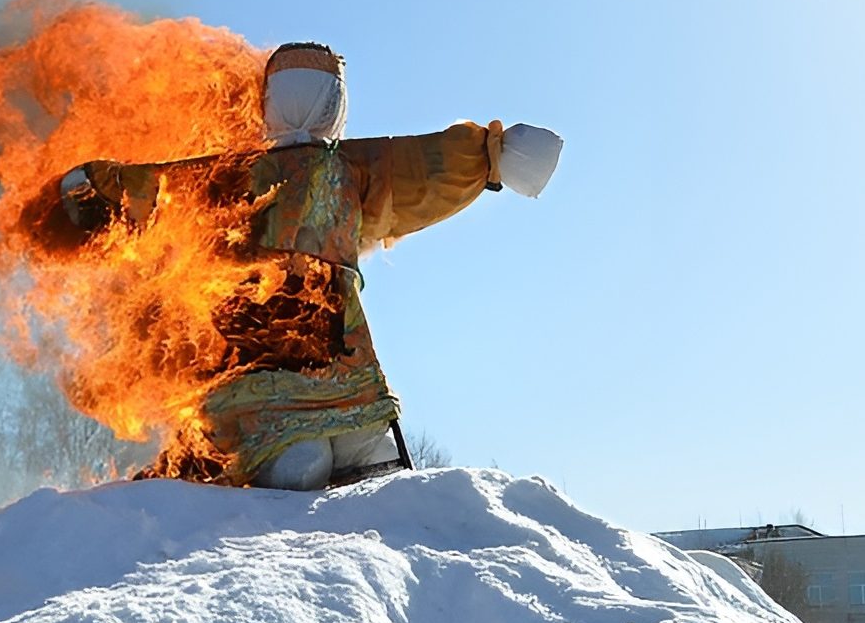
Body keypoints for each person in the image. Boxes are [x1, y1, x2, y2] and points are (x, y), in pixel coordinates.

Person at [60, 41, 563, 488]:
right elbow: (428, 164)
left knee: (336, 455)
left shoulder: (283, 171)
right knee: (308, 461)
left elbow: (163, 186)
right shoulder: (348, 166)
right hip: (281, 349)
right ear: (336, 105)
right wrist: (500, 155)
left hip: (315, 351)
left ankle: (307, 467)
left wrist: (98, 187)